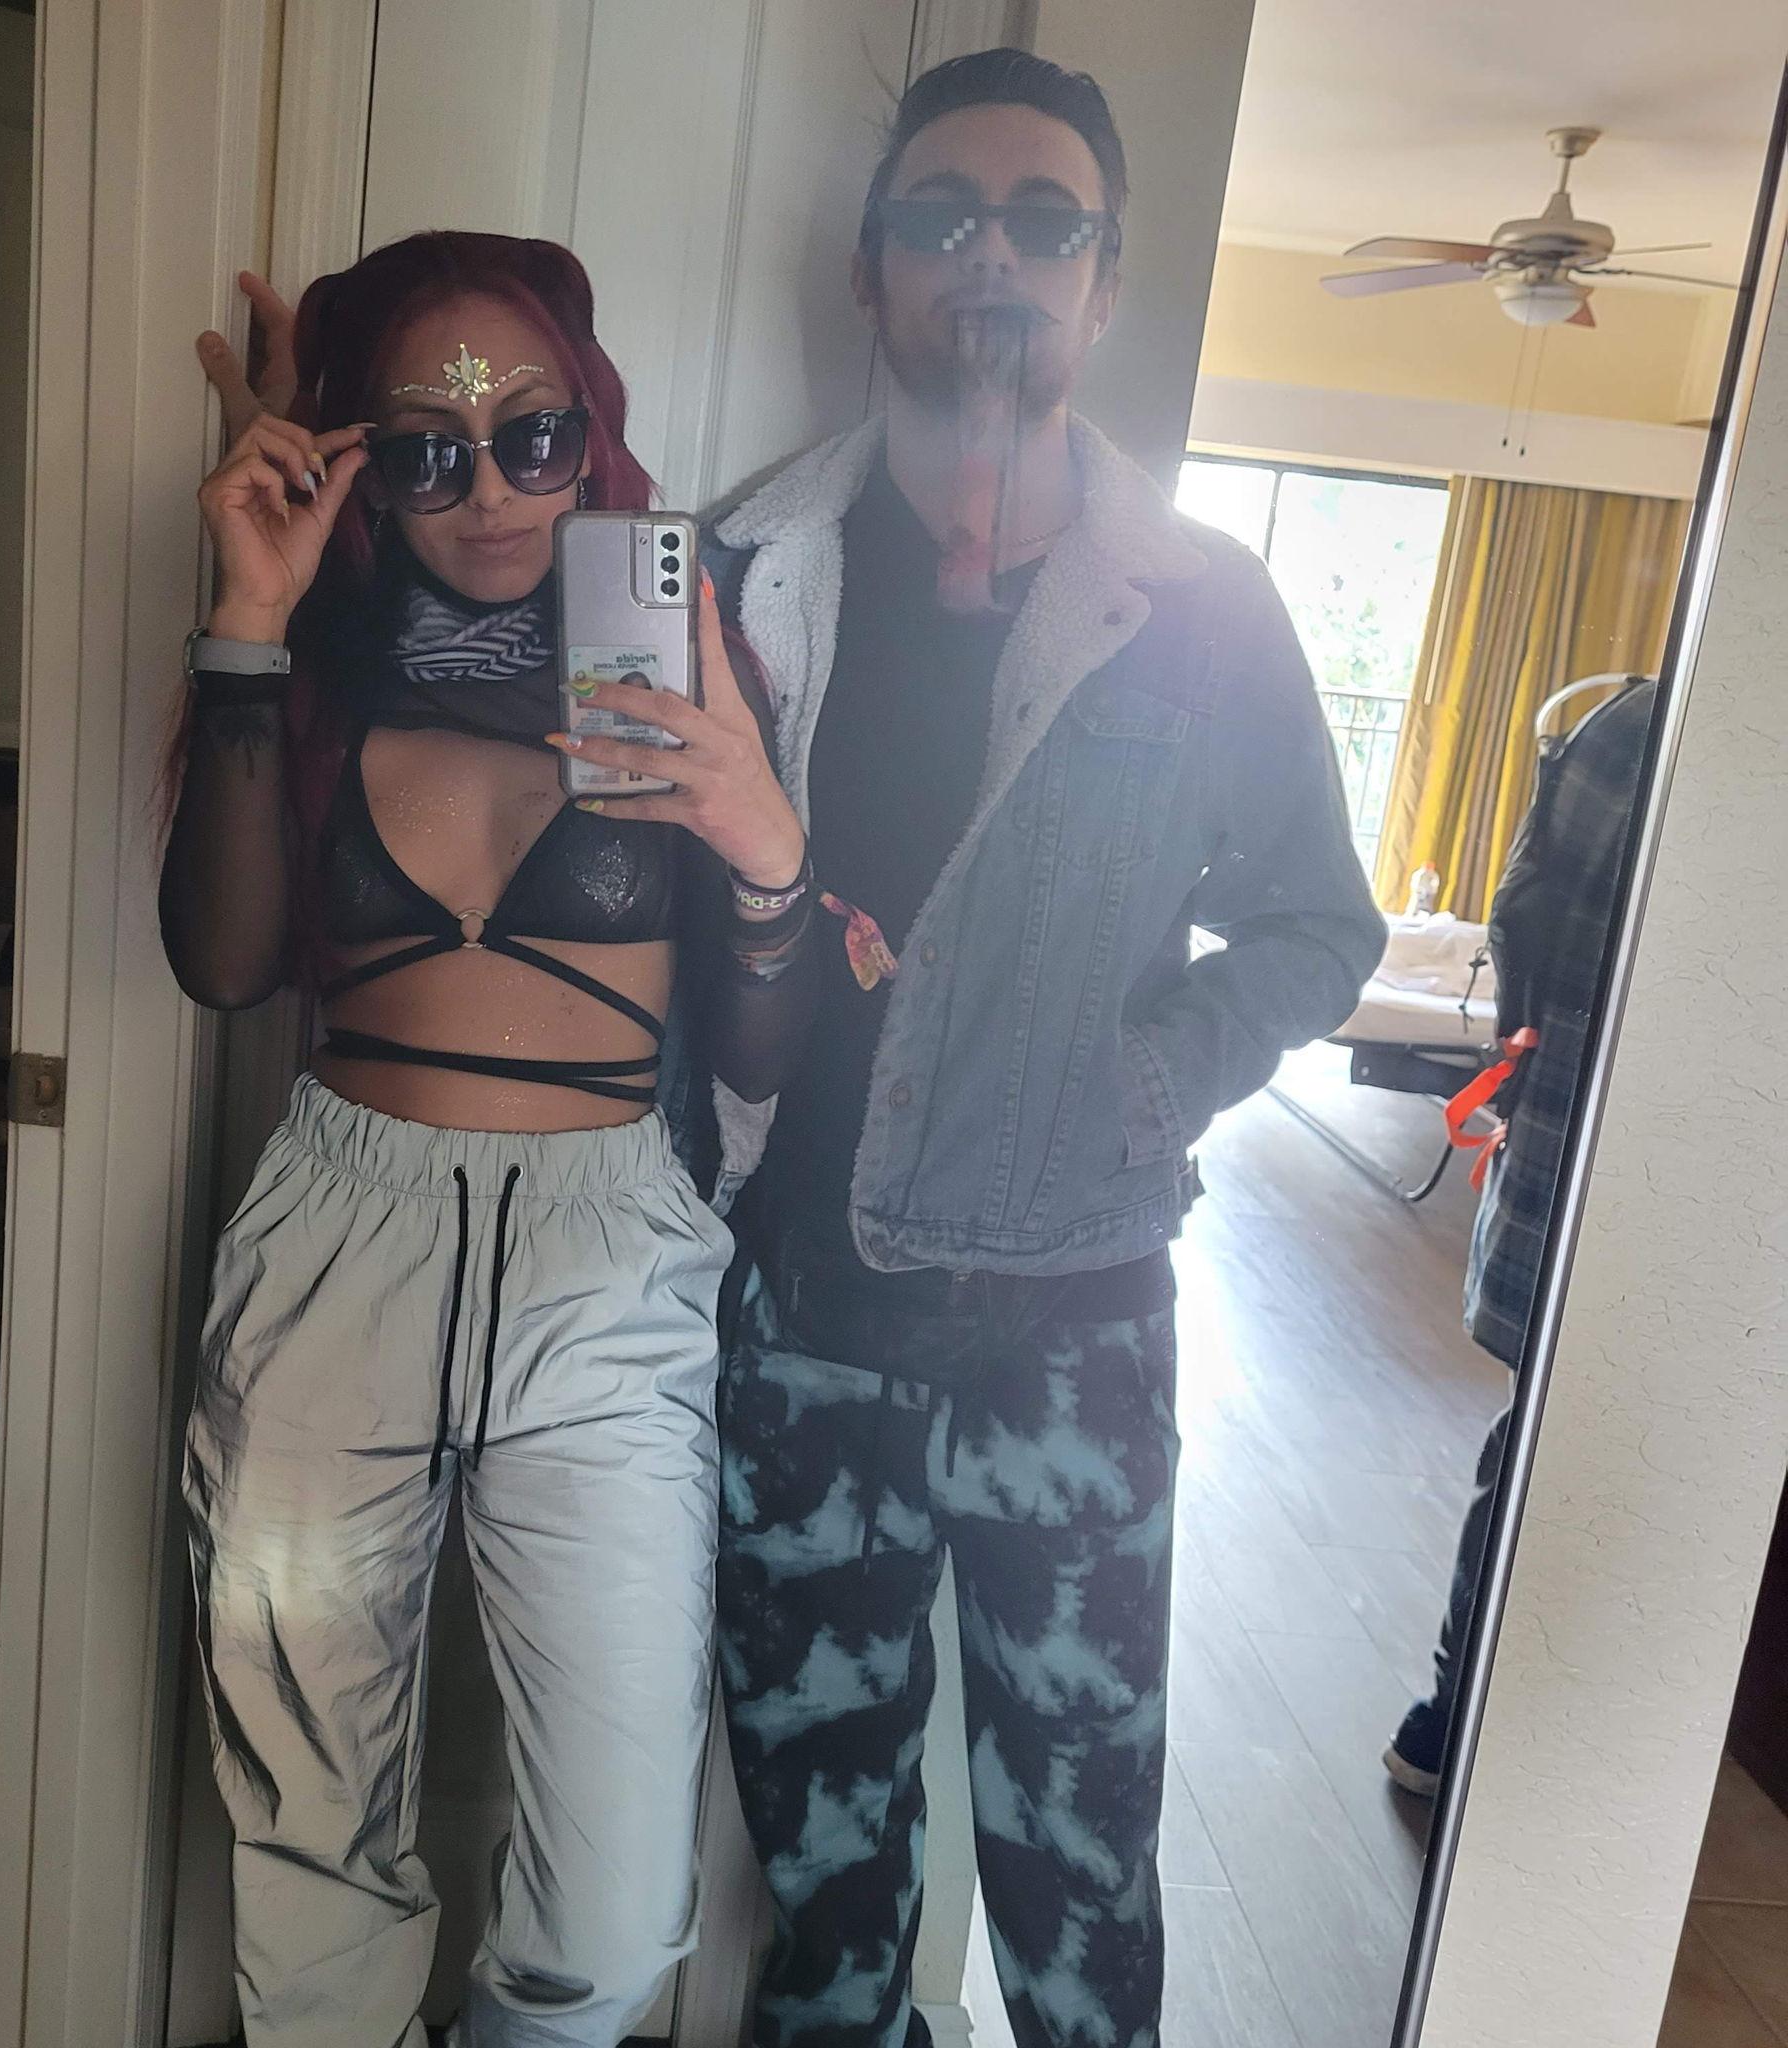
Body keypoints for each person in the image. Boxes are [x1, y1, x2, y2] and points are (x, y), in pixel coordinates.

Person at [698, 49, 1385, 2048]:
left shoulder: (1202, 609)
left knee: (1080, 1886)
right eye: (941, 214)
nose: (989, 256)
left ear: (1102, 281)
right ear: (869, 267)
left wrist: (1143, 1082)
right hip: (800, 1311)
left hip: (1073, 1326)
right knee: (822, 1876)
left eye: (1042, 220)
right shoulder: (746, 570)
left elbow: (1318, 925)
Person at [162, 229, 812, 2048]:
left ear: (588, 428)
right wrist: (247, 619)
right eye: (427, 451)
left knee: (614, 1898)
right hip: (336, 1238)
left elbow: (759, 1047)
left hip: (607, 1265)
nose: (495, 489)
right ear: (364, 464)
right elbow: (222, 966)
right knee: (305, 1810)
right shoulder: (319, 659)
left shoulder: (681, 653)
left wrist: (764, 843)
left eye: (532, 434)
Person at [1383, 673, 1660, 1799]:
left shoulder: (1624, 725)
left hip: (1560, 1143)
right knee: (1600, 1466)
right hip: (1648, 1184)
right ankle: (1545, 1737)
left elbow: (1521, 923)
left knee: (1538, 1447)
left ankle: (1453, 1715)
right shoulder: (1685, 739)